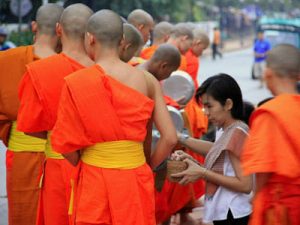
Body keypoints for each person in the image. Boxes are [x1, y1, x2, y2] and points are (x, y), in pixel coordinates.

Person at [50, 10, 177, 225]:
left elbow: (65, 144)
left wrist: (93, 160)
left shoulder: (76, 82)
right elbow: (171, 138)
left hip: (94, 179)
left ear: (90, 38)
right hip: (135, 177)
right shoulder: (147, 81)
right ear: (123, 41)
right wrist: (147, 165)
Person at [17, 4, 94, 225]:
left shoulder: (41, 71)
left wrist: (58, 136)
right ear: (92, 34)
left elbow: (30, 126)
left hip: (58, 165)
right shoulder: (107, 72)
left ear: (59, 29)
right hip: (99, 167)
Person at [0, 4, 63, 225]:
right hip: (62, 157)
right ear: (61, 30)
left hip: (21, 156)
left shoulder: (5, 60)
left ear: (33, 26)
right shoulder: (70, 67)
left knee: (23, 215)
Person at [171, 74, 253, 225]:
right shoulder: (225, 128)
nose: (206, 112)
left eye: (209, 106)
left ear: (228, 104)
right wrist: (184, 145)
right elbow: (218, 150)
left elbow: (245, 185)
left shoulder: (237, 133)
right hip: (225, 209)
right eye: (204, 107)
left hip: (234, 212)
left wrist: (202, 172)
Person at [241, 44, 300, 225]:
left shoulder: (269, 113)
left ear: (267, 74)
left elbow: (264, 170)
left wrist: (256, 197)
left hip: (283, 208)